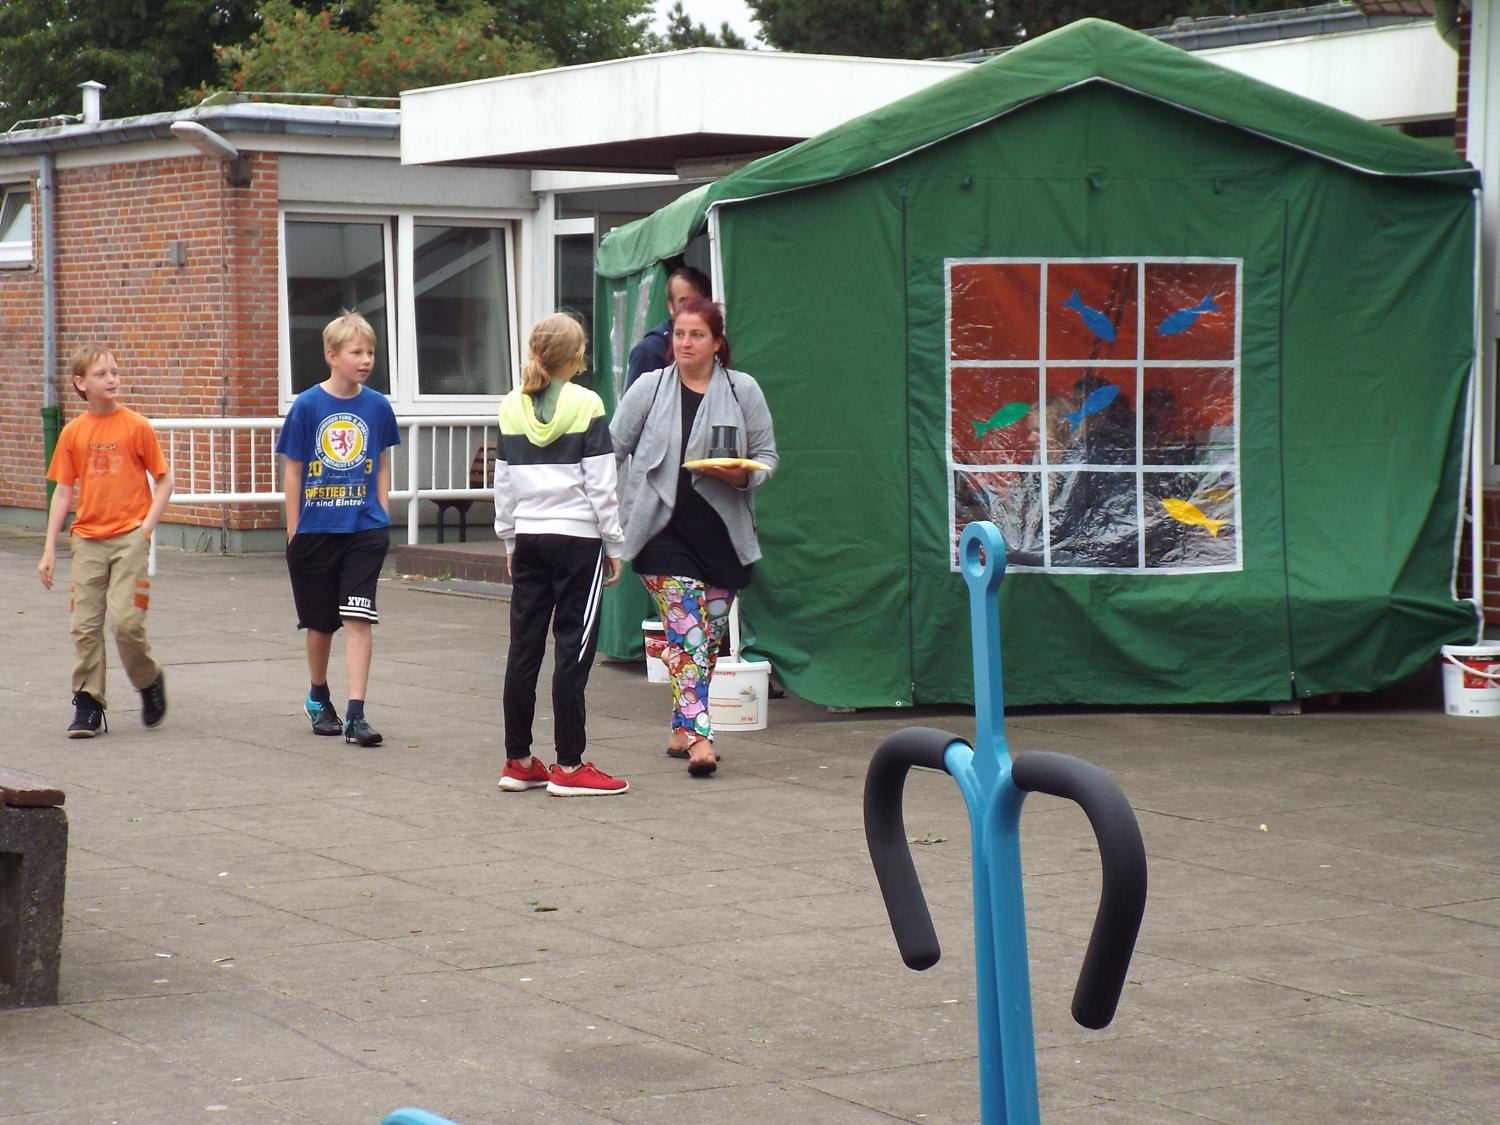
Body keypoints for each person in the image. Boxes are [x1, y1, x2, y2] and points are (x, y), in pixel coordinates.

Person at [611, 297, 777, 777]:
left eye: (696, 335)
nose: (685, 343)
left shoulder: (743, 390)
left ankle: (680, 728)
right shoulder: (649, 388)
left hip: (723, 536)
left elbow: (767, 456)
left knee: (704, 643)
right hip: (659, 534)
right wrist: (604, 521)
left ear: (717, 343)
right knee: (688, 635)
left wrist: (740, 475)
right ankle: (702, 739)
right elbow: (611, 450)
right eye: (679, 334)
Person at [494, 312, 629, 797]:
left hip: (529, 536)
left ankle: (518, 760)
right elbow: (601, 484)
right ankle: (569, 765)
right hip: (577, 540)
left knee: (524, 648)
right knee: (573, 649)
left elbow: (504, 483)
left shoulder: (510, 405)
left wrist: (510, 539)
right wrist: (614, 543)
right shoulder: (588, 403)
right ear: (577, 357)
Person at [276, 311, 401, 747]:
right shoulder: (307, 406)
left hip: (364, 530)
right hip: (315, 531)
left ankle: (356, 714)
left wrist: (381, 514)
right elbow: (293, 470)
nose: (366, 360)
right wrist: (294, 530)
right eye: (356, 352)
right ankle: (318, 696)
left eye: (371, 352)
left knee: (358, 616)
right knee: (321, 623)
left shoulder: (378, 406)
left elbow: (381, 464)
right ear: (332, 356)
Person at [38, 345, 174, 737]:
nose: (112, 379)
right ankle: (88, 702)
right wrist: (48, 549)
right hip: (87, 540)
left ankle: (148, 681)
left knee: (127, 622)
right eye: (102, 374)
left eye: (115, 371)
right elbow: (63, 491)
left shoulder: (136, 426)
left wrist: (146, 528)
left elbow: (164, 480)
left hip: (130, 537)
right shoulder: (73, 432)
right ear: (81, 383)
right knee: (84, 626)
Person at [625, 265, 710, 390]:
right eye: (683, 301)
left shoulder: (712, 343)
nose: (690, 307)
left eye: (696, 301)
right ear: (671, 306)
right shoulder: (649, 351)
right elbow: (636, 402)